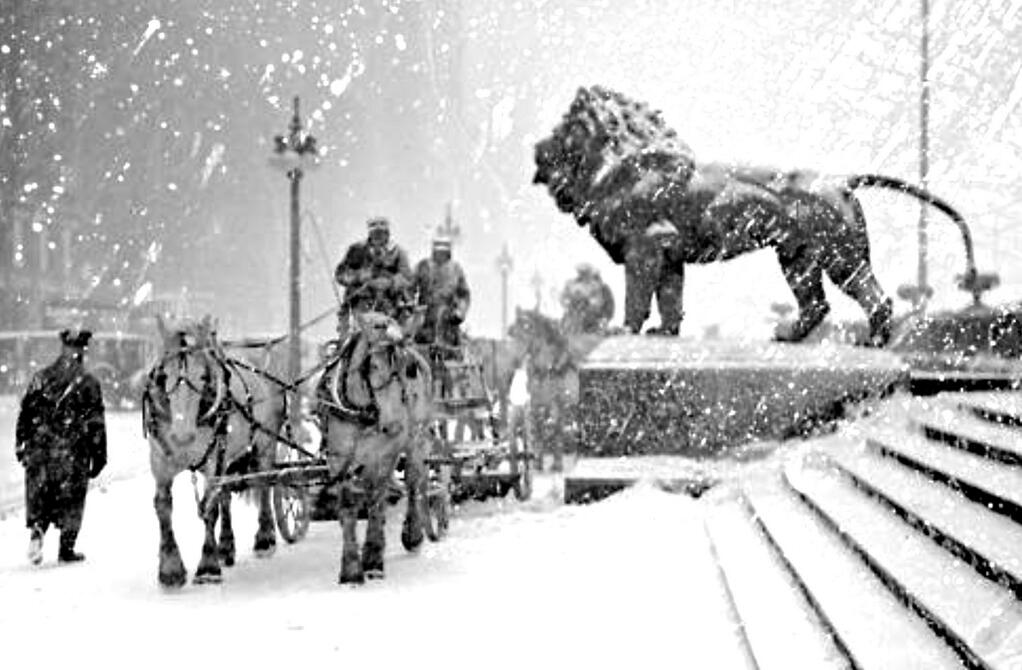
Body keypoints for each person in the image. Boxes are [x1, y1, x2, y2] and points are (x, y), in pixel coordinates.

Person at [15, 328, 107, 565]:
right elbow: (96, 421)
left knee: (41, 495)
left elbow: (26, 414)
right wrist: (99, 455)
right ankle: (66, 548)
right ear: (82, 350)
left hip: (41, 448)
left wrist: (22, 443)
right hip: (73, 451)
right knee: (72, 498)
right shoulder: (88, 382)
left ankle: (37, 530)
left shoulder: (41, 377)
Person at [334, 216, 414, 336]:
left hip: (391, 306)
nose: (378, 237)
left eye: (381, 233)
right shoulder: (356, 250)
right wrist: (359, 276)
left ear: (387, 233)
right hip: (361, 305)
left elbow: (407, 277)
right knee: (358, 339)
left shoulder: (398, 252)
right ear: (370, 233)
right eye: (375, 233)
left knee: (395, 340)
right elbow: (340, 274)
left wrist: (390, 282)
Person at [412, 235, 471, 348]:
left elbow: (464, 295)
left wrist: (460, 312)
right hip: (425, 319)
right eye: (438, 250)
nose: (441, 254)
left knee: (450, 354)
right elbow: (409, 288)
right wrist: (410, 308)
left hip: (448, 320)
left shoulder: (456, 269)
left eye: (444, 251)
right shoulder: (423, 266)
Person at [560, 263, 616, 334]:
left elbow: (607, 306)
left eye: (585, 273)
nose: (583, 275)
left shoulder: (602, 288)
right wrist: (568, 303)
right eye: (581, 273)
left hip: (594, 320)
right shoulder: (572, 285)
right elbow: (564, 299)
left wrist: (604, 319)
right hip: (575, 318)